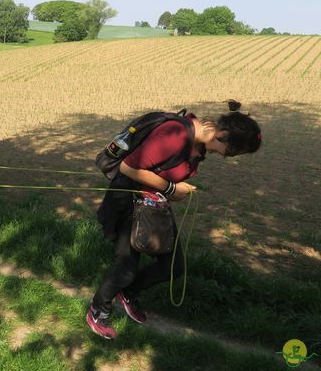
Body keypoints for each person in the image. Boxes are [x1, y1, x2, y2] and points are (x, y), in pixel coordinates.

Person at [87, 103, 262, 339]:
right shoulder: (175, 134)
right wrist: (171, 188)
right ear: (222, 135)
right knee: (126, 268)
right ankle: (98, 311)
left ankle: (128, 294)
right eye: (229, 152)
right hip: (128, 202)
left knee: (173, 266)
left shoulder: (198, 145)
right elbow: (129, 167)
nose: (223, 156)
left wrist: (172, 190)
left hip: (153, 207)